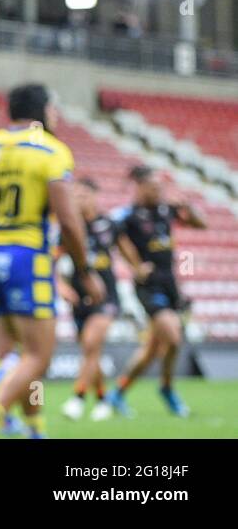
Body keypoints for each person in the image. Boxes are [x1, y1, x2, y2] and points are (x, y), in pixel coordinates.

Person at [0, 84, 103, 439]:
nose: (56, 116)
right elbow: (69, 222)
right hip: (29, 257)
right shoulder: (50, 151)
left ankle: (34, 428)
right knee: (39, 356)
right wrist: (85, 272)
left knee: (14, 354)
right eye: (53, 110)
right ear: (42, 110)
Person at [105, 165, 206, 418]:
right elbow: (113, 238)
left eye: (161, 187)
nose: (159, 191)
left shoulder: (166, 210)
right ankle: (167, 388)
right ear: (139, 187)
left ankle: (118, 392)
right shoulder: (127, 216)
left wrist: (188, 206)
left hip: (171, 284)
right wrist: (135, 265)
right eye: (153, 187)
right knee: (173, 337)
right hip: (148, 286)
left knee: (151, 350)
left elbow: (201, 224)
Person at [59, 177, 121, 422]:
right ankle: (104, 400)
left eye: (83, 195)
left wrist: (139, 269)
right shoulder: (68, 228)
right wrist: (61, 286)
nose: (78, 200)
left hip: (106, 296)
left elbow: (128, 250)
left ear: (95, 197)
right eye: (75, 196)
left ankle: (78, 397)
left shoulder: (109, 225)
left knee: (91, 343)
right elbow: (52, 262)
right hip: (79, 300)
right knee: (91, 351)